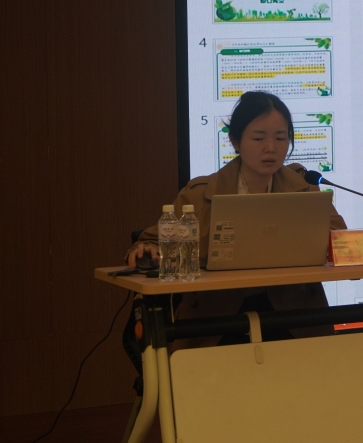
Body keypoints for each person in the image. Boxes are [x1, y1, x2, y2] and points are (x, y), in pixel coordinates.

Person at [127, 91, 346, 347]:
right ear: (235, 141)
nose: (271, 148)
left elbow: (339, 239)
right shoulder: (198, 195)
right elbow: (151, 242)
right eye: (258, 138)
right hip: (217, 317)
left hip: (293, 311)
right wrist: (146, 249)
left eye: (280, 137)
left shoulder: (304, 187)